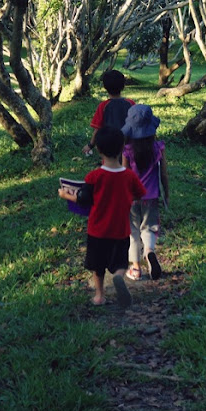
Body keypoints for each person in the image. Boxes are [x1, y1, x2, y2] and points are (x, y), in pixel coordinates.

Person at [59, 126, 146, 307]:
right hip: (120, 229)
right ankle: (119, 277)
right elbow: (140, 194)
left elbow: (83, 199)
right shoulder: (129, 176)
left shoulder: (94, 176)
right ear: (121, 148)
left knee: (98, 266)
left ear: (98, 150)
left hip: (98, 230)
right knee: (120, 262)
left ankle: (99, 296)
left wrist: (65, 194)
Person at [121, 104, 169, 282]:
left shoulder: (127, 151)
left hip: (132, 198)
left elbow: (124, 175)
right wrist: (167, 193)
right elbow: (164, 174)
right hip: (152, 197)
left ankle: (135, 268)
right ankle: (149, 251)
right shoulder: (158, 148)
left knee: (132, 231)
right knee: (149, 228)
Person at [83, 69, 135, 155]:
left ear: (105, 87)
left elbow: (97, 129)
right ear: (123, 86)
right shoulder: (131, 103)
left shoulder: (103, 106)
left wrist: (90, 145)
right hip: (129, 146)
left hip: (109, 146)